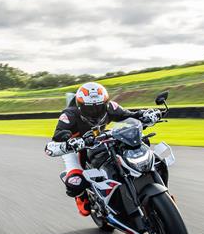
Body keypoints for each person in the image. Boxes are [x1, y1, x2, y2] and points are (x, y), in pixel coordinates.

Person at [44, 82, 160, 216]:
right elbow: (57, 137)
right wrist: (68, 141)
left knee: (145, 152)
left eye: (99, 107)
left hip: (101, 138)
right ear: (80, 106)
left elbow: (129, 115)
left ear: (105, 103)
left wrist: (146, 115)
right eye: (90, 109)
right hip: (77, 146)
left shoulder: (111, 107)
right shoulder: (69, 114)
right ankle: (82, 197)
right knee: (75, 182)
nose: (95, 112)